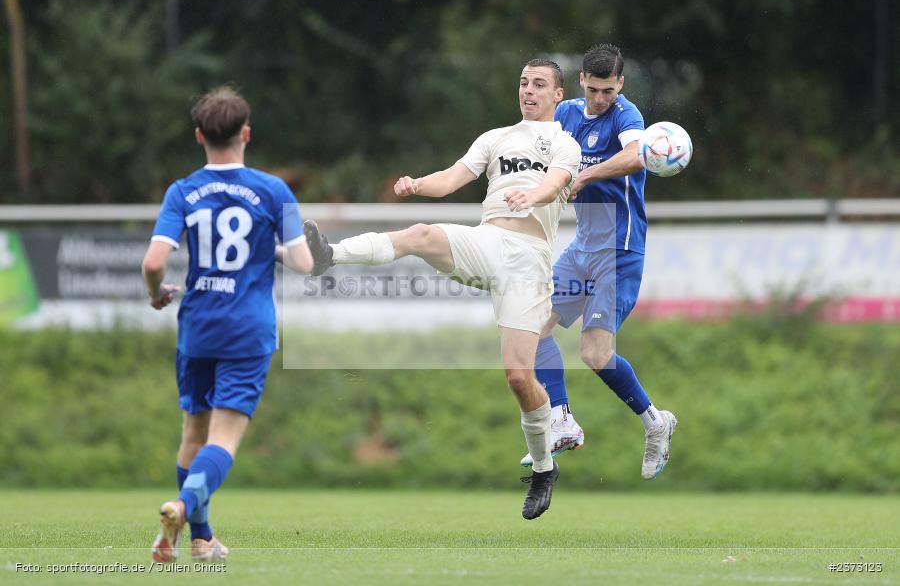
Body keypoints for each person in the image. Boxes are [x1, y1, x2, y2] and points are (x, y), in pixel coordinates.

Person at [303, 59, 581, 520]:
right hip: (487, 241)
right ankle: (327, 255)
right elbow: (452, 178)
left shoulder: (565, 143)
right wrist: (417, 184)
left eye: (539, 84)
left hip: (528, 262)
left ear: (557, 95)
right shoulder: (496, 138)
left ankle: (543, 468)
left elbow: (554, 185)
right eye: (523, 83)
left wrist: (532, 195)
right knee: (421, 234)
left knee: (518, 377)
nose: (528, 91)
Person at [142, 86, 313, 562]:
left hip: (197, 326)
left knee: (192, 435)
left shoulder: (182, 191)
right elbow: (304, 263)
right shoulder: (273, 190)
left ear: (199, 136)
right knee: (223, 440)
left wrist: (155, 293)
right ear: (246, 134)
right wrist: (273, 248)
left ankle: (201, 539)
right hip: (247, 329)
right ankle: (181, 508)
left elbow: (154, 262)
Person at [519, 44, 677, 479]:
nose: (601, 98)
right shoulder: (567, 113)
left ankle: (655, 422)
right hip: (584, 248)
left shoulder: (626, 116)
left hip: (619, 249)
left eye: (609, 90)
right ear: (581, 82)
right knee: (532, 325)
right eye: (594, 90)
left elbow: (635, 154)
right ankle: (561, 420)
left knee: (595, 353)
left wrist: (584, 175)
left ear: (620, 84)